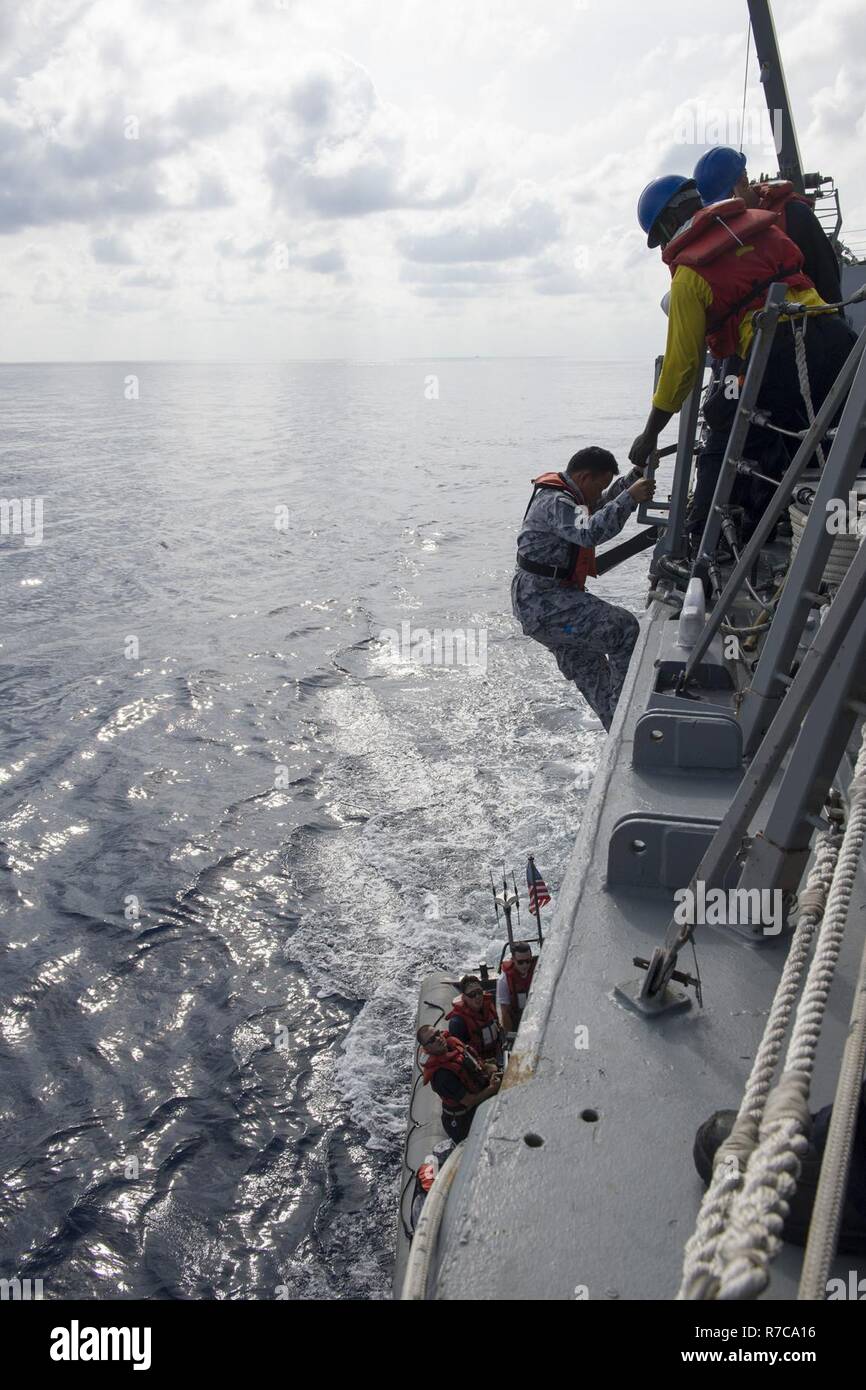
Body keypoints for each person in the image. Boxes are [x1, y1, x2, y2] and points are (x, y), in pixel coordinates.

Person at [630, 176, 856, 544]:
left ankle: (705, 540)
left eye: (661, 236)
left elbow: (681, 370)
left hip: (780, 357)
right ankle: (843, 539)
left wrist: (649, 434)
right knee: (843, 443)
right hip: (836, 338)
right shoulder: (762, 228)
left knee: (723, 428)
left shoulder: (688, 278)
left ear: (669, 225)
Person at [512, 446, 655, 731]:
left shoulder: (570, 498)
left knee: (597, 678)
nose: (598, 495)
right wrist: (630, 498)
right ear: (584, 477)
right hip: (546, 607)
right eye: (598, 486)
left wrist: (635, 477)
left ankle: (620, 731)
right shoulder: (556, 502)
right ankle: (627, 717)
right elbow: (589, 531)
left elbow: (599, 507)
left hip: (549, 610)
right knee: (624, 629)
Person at [693, 146, 842, 305]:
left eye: (725, 200)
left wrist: (833, 321)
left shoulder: (794, 214)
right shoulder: (730, 237)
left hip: (809, 319)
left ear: (743, 181)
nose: (722, 210)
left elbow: (826, 276)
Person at [417, 1024, 501, 1143]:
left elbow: (475, 1066)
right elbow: (469, 1101)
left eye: (437, 1034)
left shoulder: (453, 1047)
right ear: (427, 1048)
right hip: (464, 1120)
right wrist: (492, 1088)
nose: (438, 1039)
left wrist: (488, 1067)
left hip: (478, 1097)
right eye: (432, 1040)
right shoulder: (442, 1076)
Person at [447, 975, 503, 1064]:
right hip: (480, 1062)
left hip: (498, 1053)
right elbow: (463, 1053)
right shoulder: (458, 1022)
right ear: (464, 997)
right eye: (472, 994)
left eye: (479, 992)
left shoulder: (489, 1005)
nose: (477, 997)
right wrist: (484, 1066)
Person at [497, 942, 537, 1035]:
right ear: (513, 960)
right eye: (520, 962)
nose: (525, 965)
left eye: (528, 961)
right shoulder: (504, 980)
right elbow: (505, 1011)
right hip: (516, 1019)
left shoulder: (538, 969)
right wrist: (510, 1035)